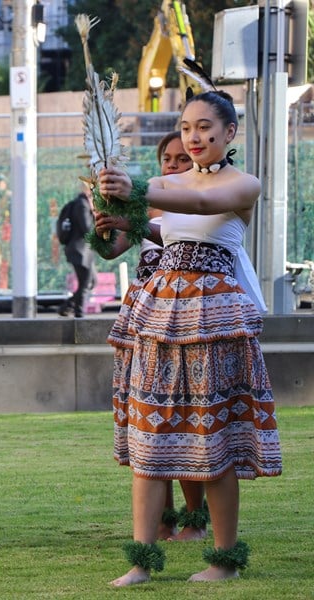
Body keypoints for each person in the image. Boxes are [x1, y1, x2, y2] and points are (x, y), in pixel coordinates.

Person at [97, 90, 282, 586]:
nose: (193, 137)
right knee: (149, 437)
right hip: (160, 315)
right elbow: (141, 228)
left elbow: (201, 203)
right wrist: (110, 208)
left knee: (211, 439)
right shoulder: (166, 181)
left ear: (229, 133)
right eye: (185, 127)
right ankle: (142, 561)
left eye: (204, 127)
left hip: (215, 317)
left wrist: (135, 189)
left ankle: (224, 561)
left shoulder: (245, 184)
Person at [95, 131, 207, 542]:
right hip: (144, 316)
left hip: (188, 314)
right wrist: (104, 219)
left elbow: (172, 234)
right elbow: (110, 250)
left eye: (182, 159)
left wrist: (133, 216)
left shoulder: (202, 202)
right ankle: (163, 519)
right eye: (168, 159)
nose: (174, 166)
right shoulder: (144, 204)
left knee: (187, 417)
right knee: (149, 417)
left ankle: (196, 520)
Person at [57, 188, 96, 317]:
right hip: (80, 251)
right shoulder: (82, 204)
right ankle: (79, 313)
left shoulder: (84, 203)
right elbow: (87, 228)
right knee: (86, 283)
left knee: (91, 281)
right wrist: (97, 218)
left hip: (84, 252)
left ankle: (68, 306)